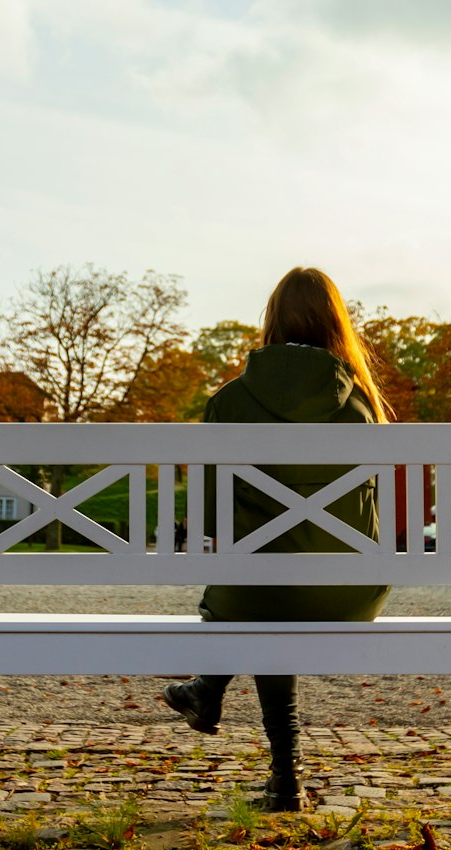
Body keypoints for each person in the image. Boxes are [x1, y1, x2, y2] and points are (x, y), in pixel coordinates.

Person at [160, 267, 390, 812]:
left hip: (255, 591)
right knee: (275, 582)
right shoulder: (362, 408)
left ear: (272, 322)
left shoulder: (229, 403)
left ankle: (211, 692)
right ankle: (283, 776)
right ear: (338, 326)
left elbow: (211, 517)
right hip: (347, 593)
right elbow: (366, 519)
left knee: (263, 586)